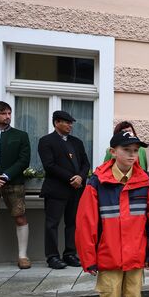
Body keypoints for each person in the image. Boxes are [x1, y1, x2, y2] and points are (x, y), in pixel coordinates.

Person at [75, 130, 149, 297]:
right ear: (113, 152)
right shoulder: (97, 181)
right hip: (108, 254)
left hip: (136, 253)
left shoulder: (146, 181)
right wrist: (89, 257)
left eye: (135, 151)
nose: (132, 155)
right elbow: (86, 222)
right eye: (126, 150)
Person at [38, 110, 90, 269]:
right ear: (56, 123)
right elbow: (49, 165)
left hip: (76, 190)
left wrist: (81, 177)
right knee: (52, 224)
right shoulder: (46, 141)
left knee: (72, 223)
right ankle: (52, 257)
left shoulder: (77, 142)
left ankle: (70, 254)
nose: (70, 125)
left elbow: (85, 164)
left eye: (71, 123)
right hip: (56, 190)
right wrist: (71, 178)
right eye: (67, 122)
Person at [0, 101, 31, 269]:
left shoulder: (20, 135)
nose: (7, 116)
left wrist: (5, 176)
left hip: (13, 182)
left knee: (20, 216)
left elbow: (24, 160)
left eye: (9, 113)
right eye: (3, 113)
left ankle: (23, 256)